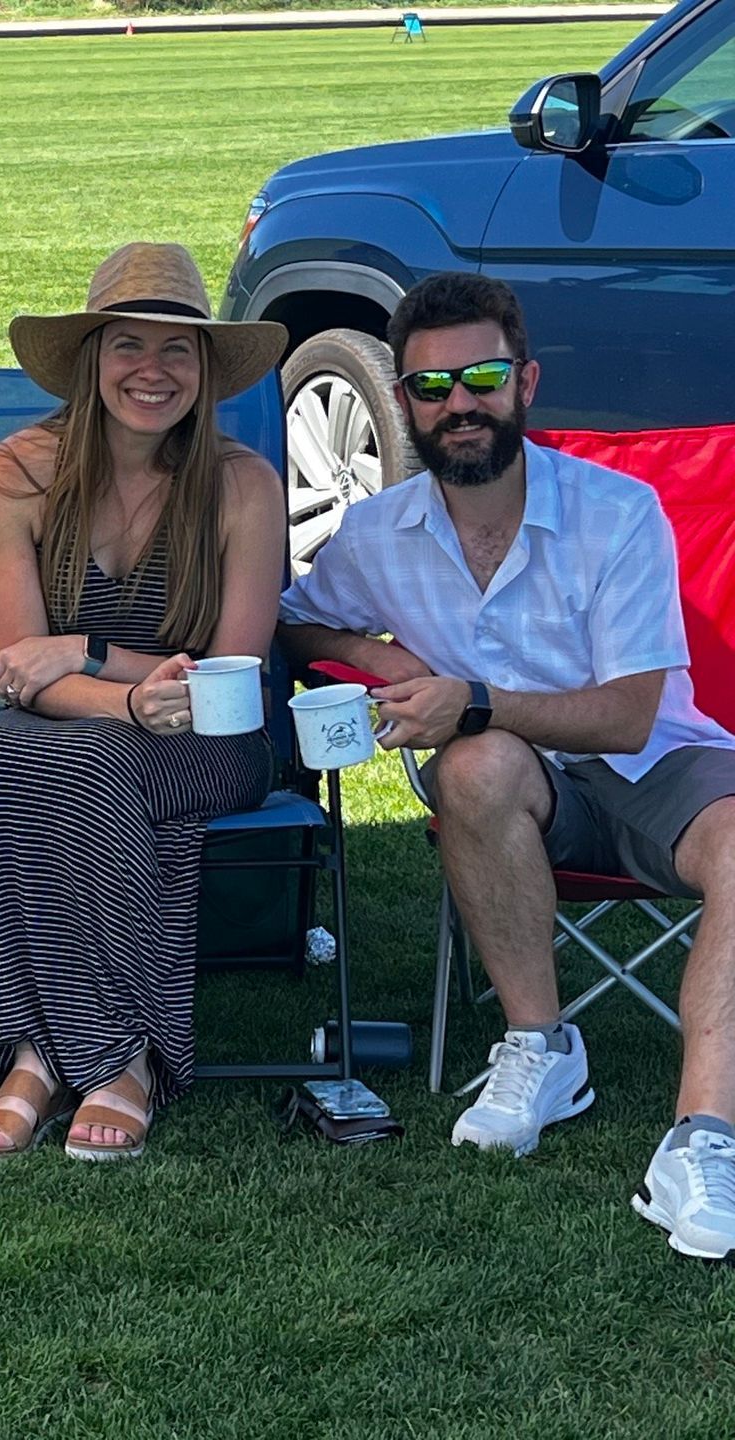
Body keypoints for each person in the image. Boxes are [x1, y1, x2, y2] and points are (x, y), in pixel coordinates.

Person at [279, 272, 735, 1259]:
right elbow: (296, 612)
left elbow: (626, 717)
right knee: (474, 768)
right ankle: (541, 1047)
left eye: (481, 376)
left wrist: (468, 699)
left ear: (524, 381)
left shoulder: (618, 514)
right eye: (432, 387)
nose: (460, 404)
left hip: (655, 766)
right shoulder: (377, 532)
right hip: (518, 786)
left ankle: (703, 1140)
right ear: (400, 401)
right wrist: (376, 657)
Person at [0, 243, 287, 1161]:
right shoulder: (16, 476)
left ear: (207, 370)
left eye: (179, 350)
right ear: (92, 359)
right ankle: (43, 1049)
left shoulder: (245, 487)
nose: (152, 372)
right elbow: (16, 670)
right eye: (129, 345)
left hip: (219, 737)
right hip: (82, 730)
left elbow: (231, 677)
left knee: (84, 763)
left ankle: (95, 1057)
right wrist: (128, 698)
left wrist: (86, 652)